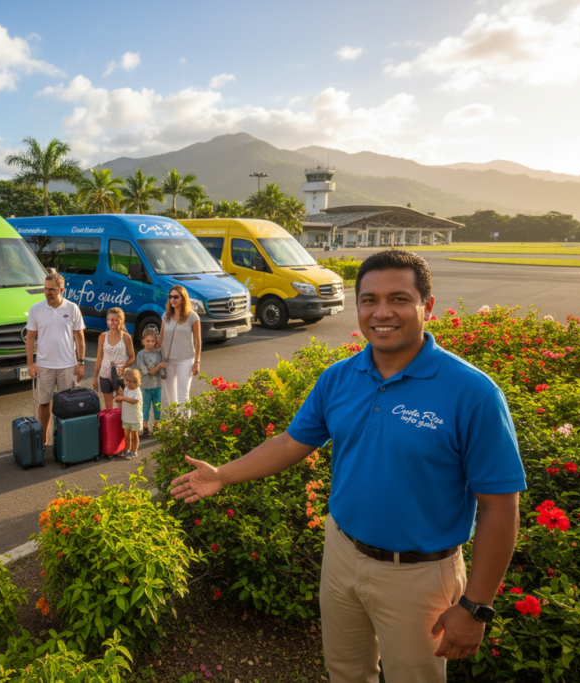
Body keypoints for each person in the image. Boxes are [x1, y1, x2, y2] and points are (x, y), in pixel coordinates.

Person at [170, 250, 525, 683]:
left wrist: (475, 606)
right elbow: (290, 442)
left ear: (427, 306)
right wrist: (222, 474)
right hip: (341, 554)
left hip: (418, 575)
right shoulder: (339, 377)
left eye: (398, 299)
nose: (382, 312)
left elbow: (499, 508)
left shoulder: (472, 393)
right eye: (369, 300)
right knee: (344, 671)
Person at [25, 269, 86, 447]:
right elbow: (30, 338)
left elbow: (80, 337)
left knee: (68, 405)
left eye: (51, 289)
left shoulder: (72, 308)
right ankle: (43, 440)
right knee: (44, 404)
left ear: (61, 290)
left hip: (68, 365)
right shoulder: (36, 309)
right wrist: (30, 363)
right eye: (45, 288)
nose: (47, 292)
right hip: (44, 366)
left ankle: (66, 441)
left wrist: (80, 363)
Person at [157, 284, 201, 416]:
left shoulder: (192, 317)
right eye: (170, 297)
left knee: (183, 396)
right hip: (167, 361)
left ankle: (185, 431)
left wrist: (197, 361)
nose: (172, 299)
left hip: (185, 360)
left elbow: (198, 340)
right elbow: (160, 338)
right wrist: (149, 349)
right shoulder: (166, 316)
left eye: (176, 296)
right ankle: (174, 428)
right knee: (171, 398)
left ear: (183, 298)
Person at [92, 307, 135, 410]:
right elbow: (99, 358)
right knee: (108, 408)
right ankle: (111, 426)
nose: (113, 322)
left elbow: (132, 357)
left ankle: (122, 426)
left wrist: (124, 367)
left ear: (121, 321)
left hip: (121, 376)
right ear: (107, 320)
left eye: (116, 320)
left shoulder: (126, 337)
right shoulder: (102, 337)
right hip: (105, 374)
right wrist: (95, 378)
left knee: (122, 406)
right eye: (110, 319)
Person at [135, 331, 165, 436]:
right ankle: (145, 427)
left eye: (153, 341)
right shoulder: (140, 355)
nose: (150, 343)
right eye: (147, 341)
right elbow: (147, 372)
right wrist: (159, 366)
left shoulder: (158, 354)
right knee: (145, 407)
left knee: (157, 406)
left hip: (157, 385)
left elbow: (163, 374)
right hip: (145, 386)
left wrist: (164, 366)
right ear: (142, 341)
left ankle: (157, 425)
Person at [114, 368, 142, 459]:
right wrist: (120, 398)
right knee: (126, 435)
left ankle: (134, 451)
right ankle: (127, 450)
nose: (128, 383)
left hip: (135, 417)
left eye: (131, 381)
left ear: (137, 381)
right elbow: (125, 399)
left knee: (134, 435)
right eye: (126, 380)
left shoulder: (137, 391)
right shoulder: (126, 388)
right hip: (126, 416)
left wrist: (123, 399)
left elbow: (134, 401)